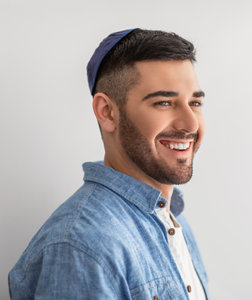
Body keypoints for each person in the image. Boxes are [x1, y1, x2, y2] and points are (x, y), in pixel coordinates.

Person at [8, 28, 209, 299]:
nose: (191, 124)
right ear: (107, 112)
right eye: (164, 102)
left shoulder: (173, 219)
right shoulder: (81, 245)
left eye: (195, 102)